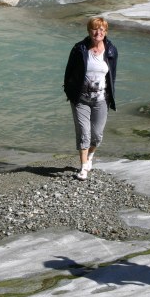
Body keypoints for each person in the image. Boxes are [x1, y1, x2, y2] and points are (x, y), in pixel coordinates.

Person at [63, 16, 118, 180]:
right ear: (89, 31)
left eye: (101, 29)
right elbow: (68, 72)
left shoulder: (111, 50)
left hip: (101, 99)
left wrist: (111, 96)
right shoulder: (79, 49)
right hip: (80, 99)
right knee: (84, 133)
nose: (98, 32)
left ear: (105, 32)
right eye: (94, 29)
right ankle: (83, 167)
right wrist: (69, 92)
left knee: (97, 135)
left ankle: (90, 156)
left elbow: (112, 76)